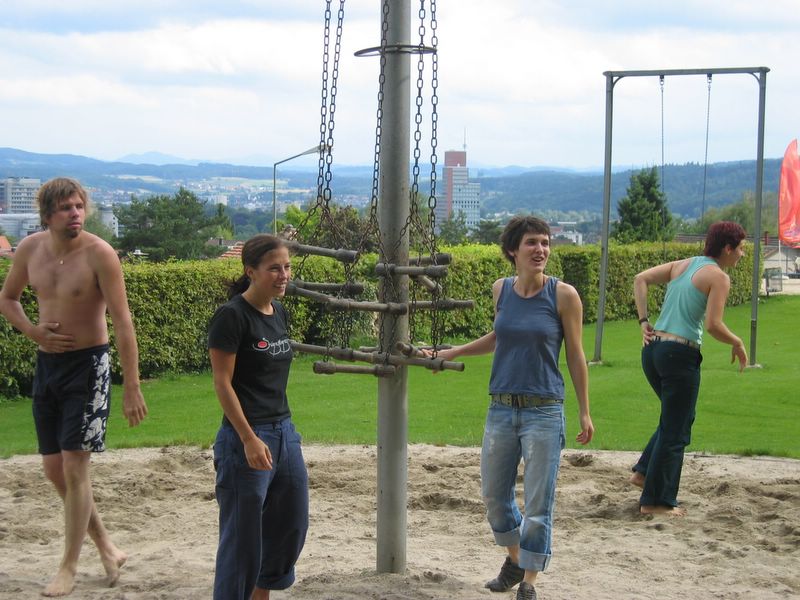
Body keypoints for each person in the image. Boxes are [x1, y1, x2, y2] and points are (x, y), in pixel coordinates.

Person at [429, 215, 594, 600]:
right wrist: (451, 352)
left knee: (538, 503)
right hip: (501, 409)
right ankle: (516, 559)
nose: (541, 249)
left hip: (544, 410)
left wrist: (585, 410)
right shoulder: (500, 290)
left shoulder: (564, 296)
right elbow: (499, 337)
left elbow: (575, 355)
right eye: (532, 242)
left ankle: (529, 583)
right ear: (512, 251)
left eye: (545, 242)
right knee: (494, 497)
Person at [0, 177, 147, 597]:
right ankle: (106, 546)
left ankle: (68, 566)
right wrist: (33, 331)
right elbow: (7, 298)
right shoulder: (30, 250)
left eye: (79, 206)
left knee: (74, 466)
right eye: (66, 208)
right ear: (48, 215)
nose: (75, 213)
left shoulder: (100, 254)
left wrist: (132, 385)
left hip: (89, 368)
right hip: (48, 366)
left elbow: (123, 322)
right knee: (54, 468)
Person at [208, 234, 308, 600]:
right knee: (242, 540)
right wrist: (248, 438)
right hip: (246, 438)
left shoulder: (278, 311)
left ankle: (260, 594)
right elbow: (222, 383)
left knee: (291, 524)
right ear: (251, 271)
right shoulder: (232, 316)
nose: (283, 275)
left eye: (287, 267)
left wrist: (280, 435)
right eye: (274, 268)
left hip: (284, 432)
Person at [631, 221, 748, 516]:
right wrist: (737, 342)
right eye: (741, 248)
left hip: (653, 351)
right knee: (676, 428)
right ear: (727, 248)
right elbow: (713, 325)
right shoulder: (718, 277)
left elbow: (640, 279)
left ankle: (644, 472)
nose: (742, 254)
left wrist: (644, 321)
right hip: (678, 355)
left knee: (677, 418)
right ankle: (656, 502)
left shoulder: (683, 264)